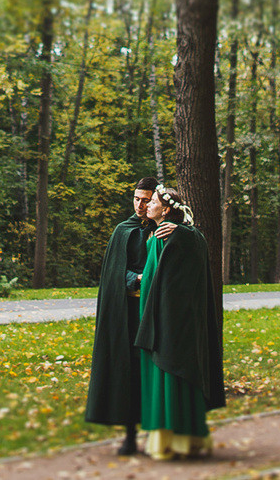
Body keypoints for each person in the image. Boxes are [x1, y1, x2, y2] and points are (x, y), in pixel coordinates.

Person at [133, 183, 225, 460]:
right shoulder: (164, 234)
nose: (148, 204)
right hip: (164, 318)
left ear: (167, 208)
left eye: (154, 202)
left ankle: (171, 442)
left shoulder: (170, 234)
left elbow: (168, 276)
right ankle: (186, 441)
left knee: (170, 375)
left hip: (168, 322)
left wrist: (183, 232)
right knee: (169, 377)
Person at [85, 177, 171, 454]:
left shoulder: (167, 229)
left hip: (156, 311)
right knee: (129, 369)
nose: (140, 205)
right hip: (128, 313)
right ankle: (130, 434)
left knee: (155, 367)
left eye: (147, 200)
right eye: (136, 198)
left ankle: (158, 433)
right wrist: (137, 279)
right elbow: (113, 273)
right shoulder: (123, 230)